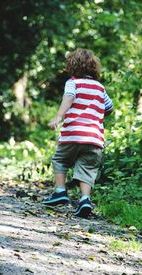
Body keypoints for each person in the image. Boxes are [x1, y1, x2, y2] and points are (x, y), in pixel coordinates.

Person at [42, 48, 113, 218]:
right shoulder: (100, 88)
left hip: (73, 134)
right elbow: (109, 108)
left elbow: (69, 98)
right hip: (94, 139)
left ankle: (60, 191)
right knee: (87, 168)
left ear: (72, 66)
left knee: (60, 159)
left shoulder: (73, 83)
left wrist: (58, 117)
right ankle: (85, 199)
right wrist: (94, 113)